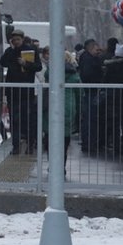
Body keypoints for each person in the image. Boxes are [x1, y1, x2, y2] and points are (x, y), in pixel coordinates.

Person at [0, 29, 42, 154]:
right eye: (14, 40)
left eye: (18, 39)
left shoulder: (30, 51)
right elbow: (3, 62)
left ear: (22, 39)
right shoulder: (10, 51)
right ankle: (16, 145)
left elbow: (37, 67)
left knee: (28, 119)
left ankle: (30, 142)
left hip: (26, 91)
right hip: (13, 91)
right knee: (14, 119)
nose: (16, 42)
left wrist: (26, 63)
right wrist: (11, 50)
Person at [41, 46, 80, 176]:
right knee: (64, 140)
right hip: (68, 108)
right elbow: (80, 94)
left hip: (50, 107)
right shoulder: (74, 76)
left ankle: (52, 165)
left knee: (50, 138)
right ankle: (61, 166)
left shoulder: (49, 73)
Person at [78, 38, 105, 153]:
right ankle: (89, 144)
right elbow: (88, 74)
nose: (98, 51)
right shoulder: (90, 60)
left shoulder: (85, 58)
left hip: (90, 91)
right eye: (96, 48)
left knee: (90, 118)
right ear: (90, 48)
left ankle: (89, 143)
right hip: (90, 91)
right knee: (90, 118)